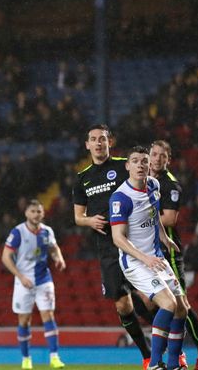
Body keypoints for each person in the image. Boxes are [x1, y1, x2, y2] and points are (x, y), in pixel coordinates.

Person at [72, 124, 152, 369]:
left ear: (110, 142)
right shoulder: (82, 178)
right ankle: (147, 355)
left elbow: (144, 187)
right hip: (107, 245)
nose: (99, 143)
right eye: (94, 139)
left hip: (134, 239)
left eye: (103, 139)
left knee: (150, 299)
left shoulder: (122, 165)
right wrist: (89, 220)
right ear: (87, 145)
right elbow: (77, 216)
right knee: (121, 303)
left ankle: (169, 341)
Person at [109, 146, 186, 370]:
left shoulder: (154, 185)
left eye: (144, 161)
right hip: (134, 262)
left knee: (182, 308)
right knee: (169, 304)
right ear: (127, 166)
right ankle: (154, 363)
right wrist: (145, 258)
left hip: (156, 257)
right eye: (135, 161)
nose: (141, 165)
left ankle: (173, 365)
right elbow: (118, 239)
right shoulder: (121, 198)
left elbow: (154, 216)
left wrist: (164, 237)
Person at [148, 140, 198, 369]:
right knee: (147, 303)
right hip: (145, 251)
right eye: (154, 154)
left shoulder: (170, 185)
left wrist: (139, 215)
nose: (157, 159)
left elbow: (169, 219)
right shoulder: (142, 181)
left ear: (169, 160)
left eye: (162, 156)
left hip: (167, 252)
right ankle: (172, 356)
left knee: (181, 305)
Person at [2, 199, 66, 369]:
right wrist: (20, 276)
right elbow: (5, 257)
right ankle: (26, 359)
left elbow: (54, 248)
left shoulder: (47, 231)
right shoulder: (18, 232)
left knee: (48, 316)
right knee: (24, 320)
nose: (36, 214)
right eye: (33, 211)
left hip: (44, 279)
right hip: (24, 282)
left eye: (39, 211)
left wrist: (58, 258)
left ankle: (54, 357)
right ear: (26, 213)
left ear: (43, 213)